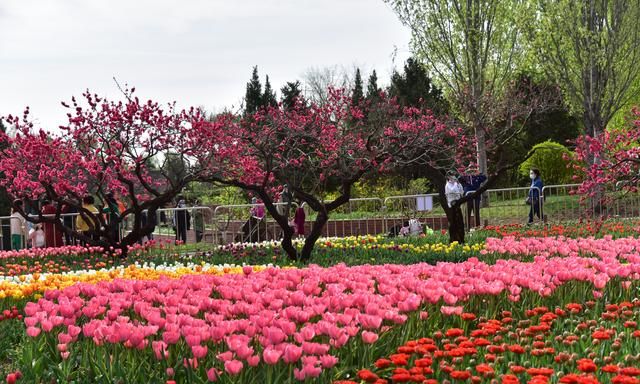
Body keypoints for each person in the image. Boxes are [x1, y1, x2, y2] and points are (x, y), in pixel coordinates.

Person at [460, 164, 487, 230]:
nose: (472, 170)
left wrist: (478, 173)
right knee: (467, 213)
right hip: (468, 197)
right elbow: (460, 179)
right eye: (470, 168)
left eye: (473, 168)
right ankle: (467, 228)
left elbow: (484, 177)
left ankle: (477, 227)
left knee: (476, 213)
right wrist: (466, 173)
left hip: (476, 197)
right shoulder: (466, 178)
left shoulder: (478, 177)